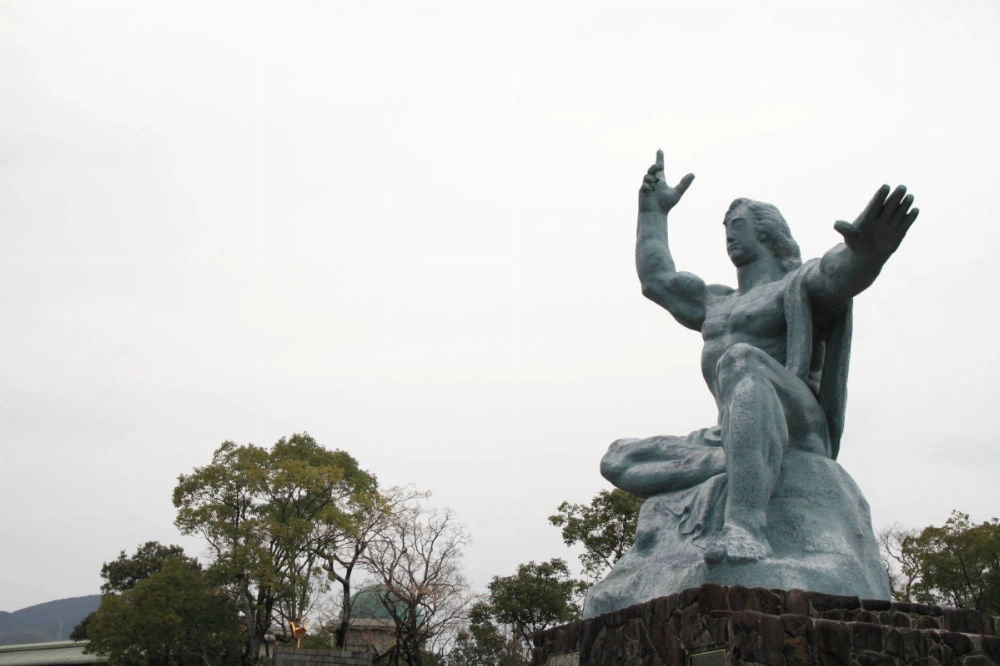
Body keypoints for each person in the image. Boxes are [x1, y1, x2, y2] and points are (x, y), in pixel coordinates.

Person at [624, 149, 918, 564]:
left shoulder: (797, 285)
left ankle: (746, 527)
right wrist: (652, 214)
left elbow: (837, 273)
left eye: (738, 225)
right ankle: (732, 458)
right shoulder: (715, 303)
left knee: (742, 360)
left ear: (766, 232)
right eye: (725, 227)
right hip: (731, 430)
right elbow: (657, 280)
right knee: (621, 458)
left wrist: (868, 253)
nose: (729, 233)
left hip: (798, 422)